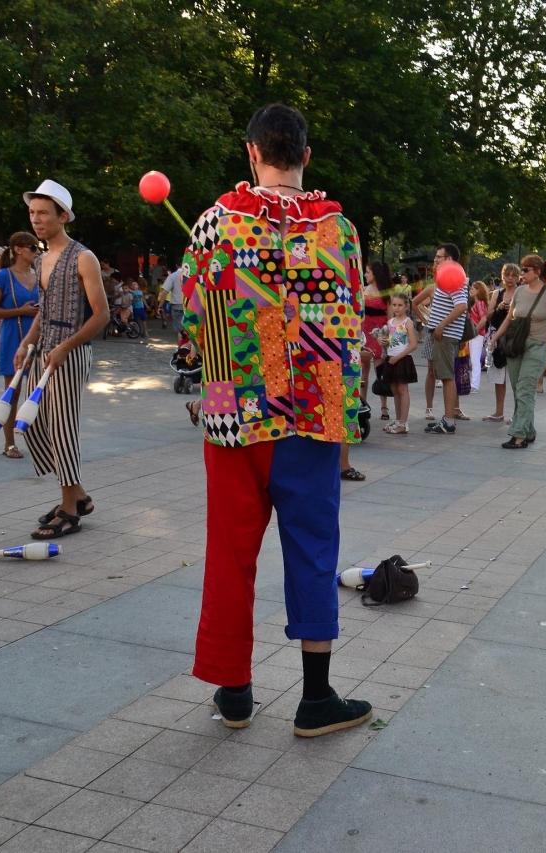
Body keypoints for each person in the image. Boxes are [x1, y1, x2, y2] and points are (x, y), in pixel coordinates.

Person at [183, 102, 372, 737]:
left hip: (236, 410)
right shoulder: (338, 229)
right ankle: (316, 700)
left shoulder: (216, 223)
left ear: (252, 152)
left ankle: (235, 692)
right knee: (314, 548)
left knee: (230, 550)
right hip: (314, 412)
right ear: (305, 156)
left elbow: (195, 319)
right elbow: (349, 316)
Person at [13, 180, 109, 539]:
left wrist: (66, 347)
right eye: (32, 213)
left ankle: (69, 510)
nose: (36, 219)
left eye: (43, 213)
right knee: (35, 427)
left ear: (63, 216)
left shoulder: (83, 257)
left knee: (61, 430)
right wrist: (26, 342)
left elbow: (101, 315)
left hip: (70, 355)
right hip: (43, 353)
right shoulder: (40, 259)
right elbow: (45, 310)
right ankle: (79, 496)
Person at [489, 254, 546, 449]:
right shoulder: (519, 291)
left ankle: (519, 435)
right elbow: (509, 319)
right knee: (518, 389)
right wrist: (494, 338)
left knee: (525, 388)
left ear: (537, 272)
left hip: (539, 345)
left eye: (526, 270)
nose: (522, 273)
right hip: (516, 344)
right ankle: (529, 431)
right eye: (522, 269)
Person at [0, 234, 40, 458]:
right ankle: (10, 444)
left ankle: (40, 442)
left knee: (40, 392)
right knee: (14, 392)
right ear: (18, 249)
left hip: (38, 338)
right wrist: (21, 311)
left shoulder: (39, 275)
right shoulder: (4, 276)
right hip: (13, 336)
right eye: (33, 247)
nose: (37, 251)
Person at [414, 244, 467, 435]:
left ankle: (449, 421)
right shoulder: (448, 279)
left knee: (447, 377)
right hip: (442, 334)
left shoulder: (453, 279)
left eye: (439, 257)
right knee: (445, 377)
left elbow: (461, 305)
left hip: (445, 335)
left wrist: (441, 325)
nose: (435, 260)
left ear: (449, 259)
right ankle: (447, 419)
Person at [482, 264, 518, 423]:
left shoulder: (521, 293)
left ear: (518, 278)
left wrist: (513, 310)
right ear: (503, 277)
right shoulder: (497, 293)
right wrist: (498, 307)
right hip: (497, 338)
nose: (510, 278)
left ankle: (517, 413)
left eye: (513, 275)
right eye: (507, 275)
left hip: (514, 338)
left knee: (516, 378)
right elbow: (488, 316)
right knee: (499, 377)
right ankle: (499, 411)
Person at [383, 293, 418, 434]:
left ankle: (403, 423)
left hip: (402, 359)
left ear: (406, 306)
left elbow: (413, 344)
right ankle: (398, 420)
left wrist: (398, 357)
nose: (396, 308)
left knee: (403, 390)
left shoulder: (408, 323)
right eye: (394, 305)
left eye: (400, 305)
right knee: (394, 389)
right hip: (391, 358)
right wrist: (382, 341)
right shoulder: (390, 322)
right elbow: (388, 341)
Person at [361, 261, 390, 420]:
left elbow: (390, 316)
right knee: (364, 369)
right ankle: (362, 403)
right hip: (365, 330)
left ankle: (384, 406)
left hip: (380, 332)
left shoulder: (386, 292)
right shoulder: (364, 289)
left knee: (380, 369)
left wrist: (387, 335)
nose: (365, 274)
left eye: (368, 272)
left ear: (375, 274)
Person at [468, 280, 490, 394]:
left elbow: (484, 318)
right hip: (476, 334)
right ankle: (473, 384)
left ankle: (474, 385)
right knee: (474, 360)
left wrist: (475, 331)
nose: (470, 290)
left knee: (475, 360)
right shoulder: (478, 303)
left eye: (473, 288)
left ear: (478, 290)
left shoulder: (480, 304)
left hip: (477, 334)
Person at [159, 262, 185, 333]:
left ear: (176, 265)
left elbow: (164, 292)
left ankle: (180, 340)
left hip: (177, 304)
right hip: (190, 305)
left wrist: (160, 306)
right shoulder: (192, 275)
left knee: (179, 330)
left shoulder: (173, 276)